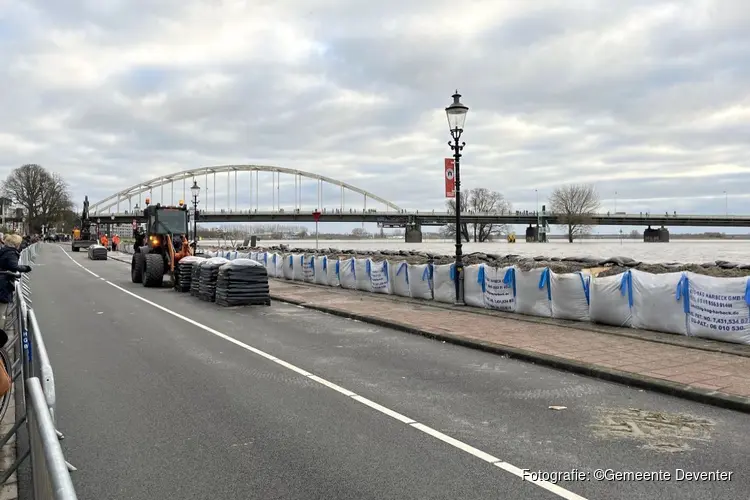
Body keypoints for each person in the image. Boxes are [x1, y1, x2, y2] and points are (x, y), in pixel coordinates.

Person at [0, 234, 32, 345]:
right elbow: (14, 266)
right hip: (3, 286)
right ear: (16, 244)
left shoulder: (4, 250)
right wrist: (25, 268)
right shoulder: (11, 253)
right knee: (2, 312)